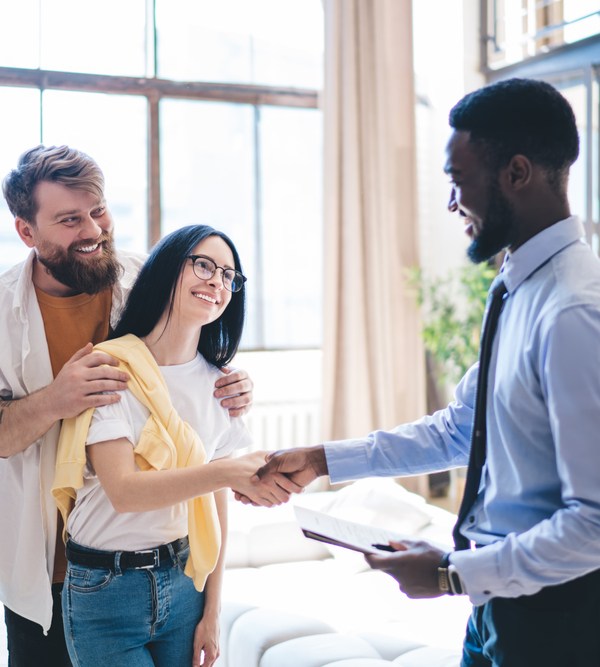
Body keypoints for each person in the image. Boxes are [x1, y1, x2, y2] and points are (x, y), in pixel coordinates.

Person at [251, 78, 600, 666]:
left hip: (557, 623)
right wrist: (321, 460)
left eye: (457, 182)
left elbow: (593, 523)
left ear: (517, 174)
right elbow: (461, 429)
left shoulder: (573, 312)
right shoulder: (517, 288)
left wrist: (449, 575)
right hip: (494, 610)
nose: (450, 204)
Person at [0, 145, 255, 666]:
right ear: (28, 232)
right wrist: (56, 399)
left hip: (160, 565)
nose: (93, 229)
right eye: (70, 219)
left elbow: (192, 378)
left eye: (98, 210)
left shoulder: (148, 279)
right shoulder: (3, 312)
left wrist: (236, 383)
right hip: (45, 566)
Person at [52, 224, 296, 666]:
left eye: (228, 276)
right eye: (203, 264)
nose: (216, 281)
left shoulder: (221, 386)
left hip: (185, 581)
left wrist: (213, 611)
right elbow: (124, 492)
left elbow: (216, 506)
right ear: (168, 268)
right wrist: (224, 472)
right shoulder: (112, 367)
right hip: (107, 591)